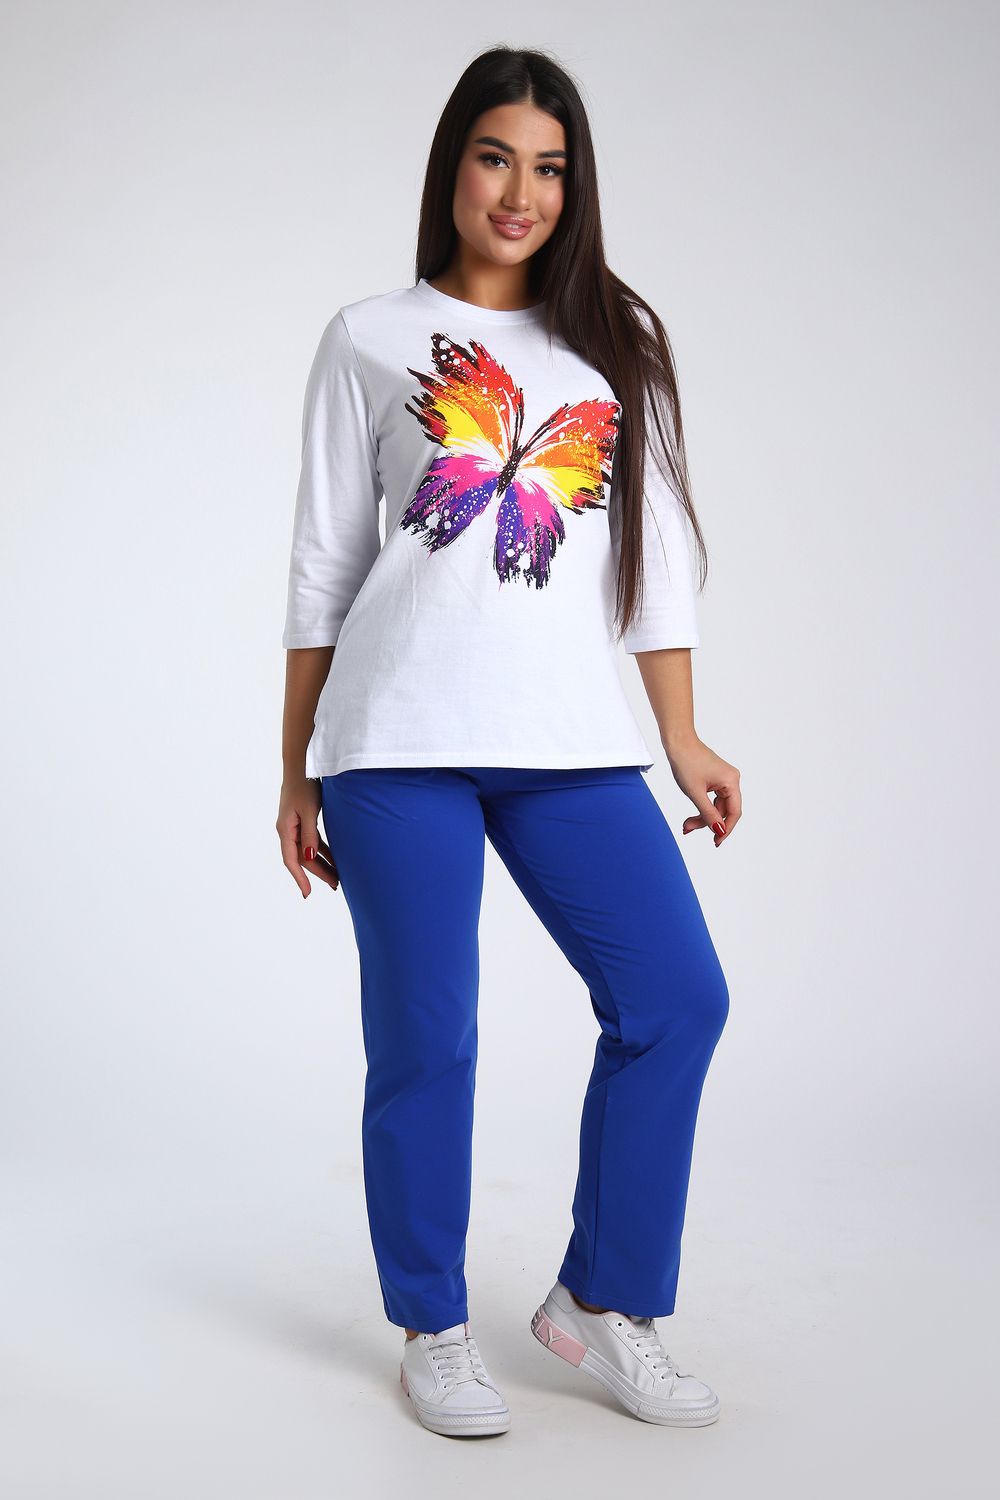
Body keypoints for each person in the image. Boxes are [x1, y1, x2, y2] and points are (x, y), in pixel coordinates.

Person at [276, 45, 741, 1439]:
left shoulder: (615, 347)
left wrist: (683, 736)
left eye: (549, 167)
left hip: (567, 739)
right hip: (394, 742)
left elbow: (654, 565)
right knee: (429, 1037)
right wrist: (294, 766)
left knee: (677, 999)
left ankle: (603, 1301)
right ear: (453, 169)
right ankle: (431, 1325)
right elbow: (324, 567)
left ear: (573, 189)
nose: (520, 191)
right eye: (496, 157)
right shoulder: (369, 336)